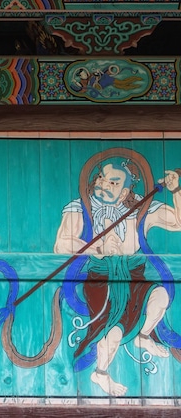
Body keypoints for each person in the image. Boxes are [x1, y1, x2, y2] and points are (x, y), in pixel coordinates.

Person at [53, 160, 181, 396]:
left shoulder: (141, 207)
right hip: (102, 279)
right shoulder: (81, 207)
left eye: (112, 182)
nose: (103, 184)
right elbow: (61, 243)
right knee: (112, 333)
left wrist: (176, 191)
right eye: (101, 178)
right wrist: (98, 247)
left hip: (134, 276)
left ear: (124, 191)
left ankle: (143, 336)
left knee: (160, 297)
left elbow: (178, 222)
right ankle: (100, 374)